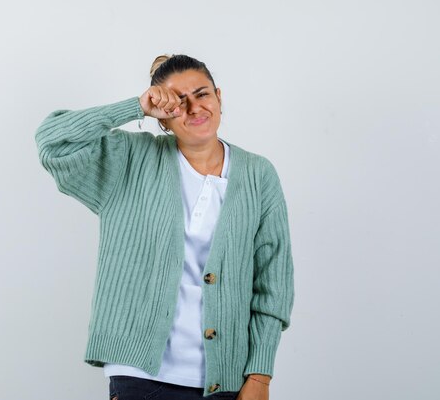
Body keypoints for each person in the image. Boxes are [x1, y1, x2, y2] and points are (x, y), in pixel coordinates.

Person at [35, 54, 294, 399]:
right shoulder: (129, 160)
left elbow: (273, 283)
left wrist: (260, 377)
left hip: (224, 379)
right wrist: (135, 107)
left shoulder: (258, 175)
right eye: (178, 103)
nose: (193, 108)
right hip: (140, 377)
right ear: (163, 119)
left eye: (202, 94)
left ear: (219, 96)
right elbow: (52, 142)